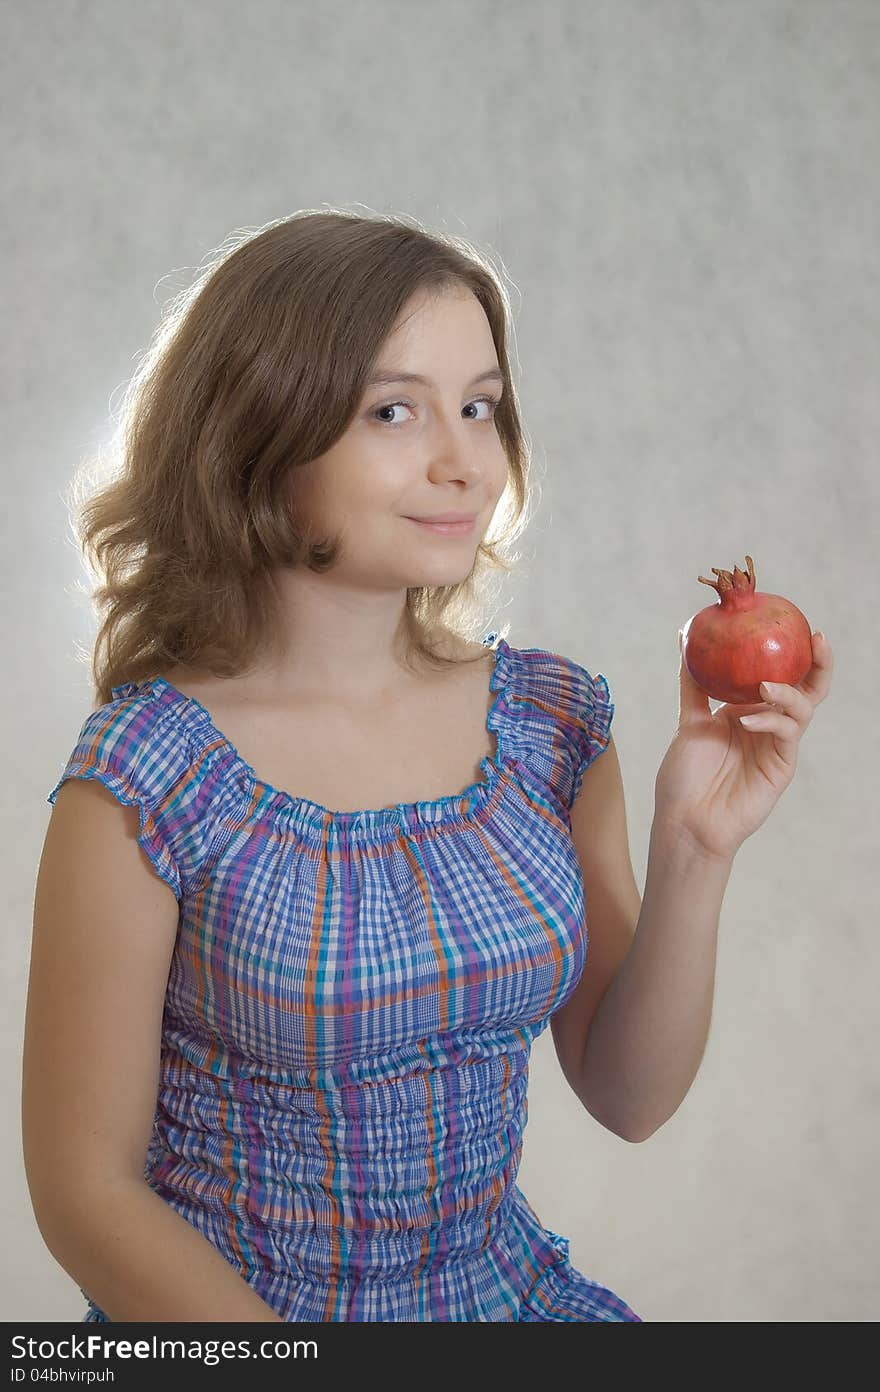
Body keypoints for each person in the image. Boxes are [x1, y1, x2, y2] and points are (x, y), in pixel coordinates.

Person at [23, 210, 832, 1324]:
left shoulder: (551, 723)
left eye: (480, 406)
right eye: (393, 410)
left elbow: (629, 1095)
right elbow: (85, 1195)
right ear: (258, 432)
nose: (462, 461)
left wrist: (694, 846)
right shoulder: (148, 773)